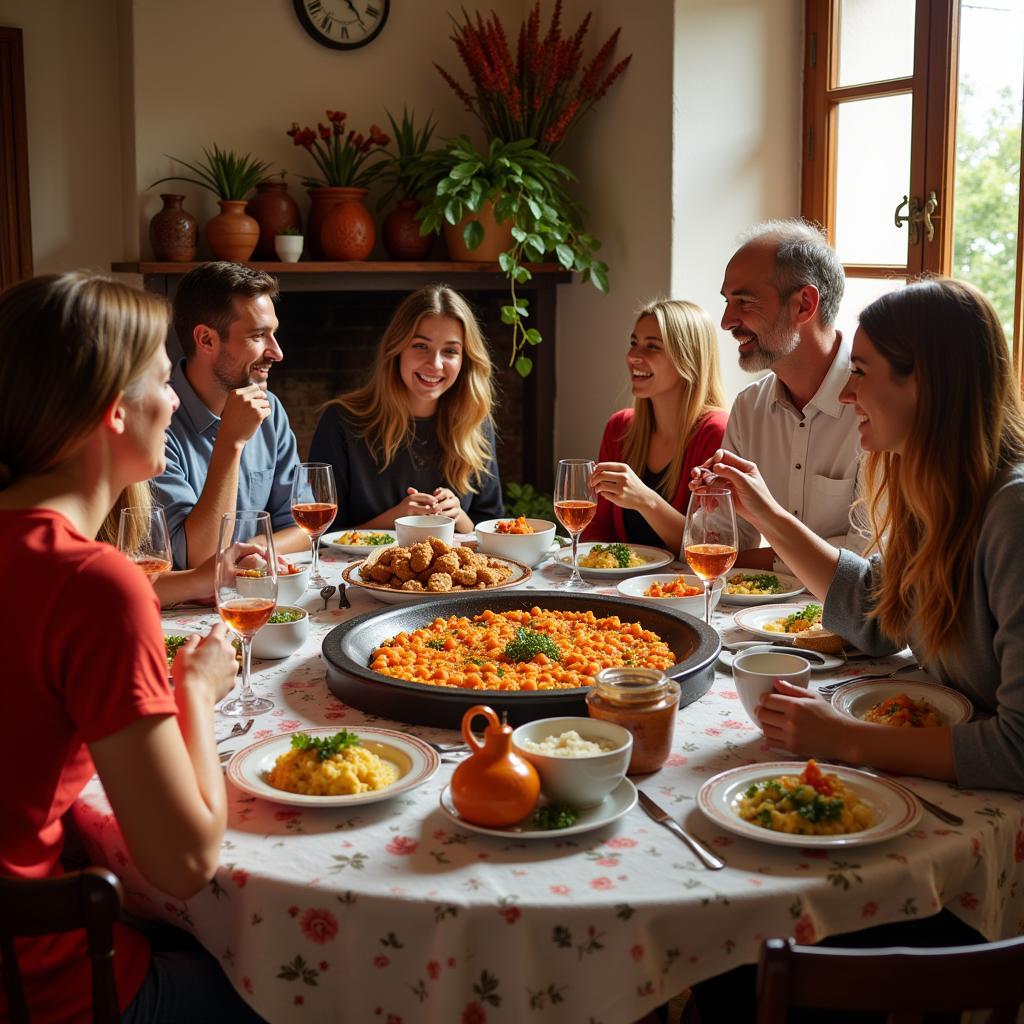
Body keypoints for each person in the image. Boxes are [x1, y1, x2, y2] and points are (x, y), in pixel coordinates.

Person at [0, 273, 264, 1021]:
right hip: (45, 987)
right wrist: (197, 692)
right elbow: (185, 865)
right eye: (160, 375)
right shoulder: (92, 582)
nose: (177, 398)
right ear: (113, 411)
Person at [695, 278, 1024, 792]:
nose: (847, 394)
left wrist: (846, 738)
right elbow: (880, 614)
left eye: (861, 373)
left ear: (926, 384)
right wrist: (766, 515)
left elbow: (1018, 751)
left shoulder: (1012, 514)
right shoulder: (936, 495)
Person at [718, 219, 866, 571]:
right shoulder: (749, 408)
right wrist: (709, 503)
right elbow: (720, 541)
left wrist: (757, 559)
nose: (726, 320)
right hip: (765, 616)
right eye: (727, 301)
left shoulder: (874, 409)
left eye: (744, 301)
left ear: (803, 305)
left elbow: (867, 555)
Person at [309, 284, 504, 531]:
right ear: (397, 348)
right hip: (355, 569)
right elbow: (319, 532)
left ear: (465, 360)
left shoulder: (475, 422)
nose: (435, 363)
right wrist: (397, 519)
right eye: (420, 345)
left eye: (450, 351)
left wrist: (458, 516)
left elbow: (491, 526)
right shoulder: (340, 421)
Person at [152, 261, 307, 569]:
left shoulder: (270, 409)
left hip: (257, 589)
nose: (277, 352)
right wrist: (231, 442)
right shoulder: (157, 424)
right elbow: (196, 558)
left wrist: (251, 549)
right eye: (258, 335)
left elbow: (304, 527)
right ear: (206, 339)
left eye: (273, 333)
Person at [583, 299, 728, 553]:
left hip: (685, 589)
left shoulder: (716, 431)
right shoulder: (620, 427)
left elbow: (712, 547)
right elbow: (599, 526)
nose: (632, 357)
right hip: (620, 588)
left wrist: (646, 501)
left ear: (688, 358)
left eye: (652, 347)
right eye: (633, 344)